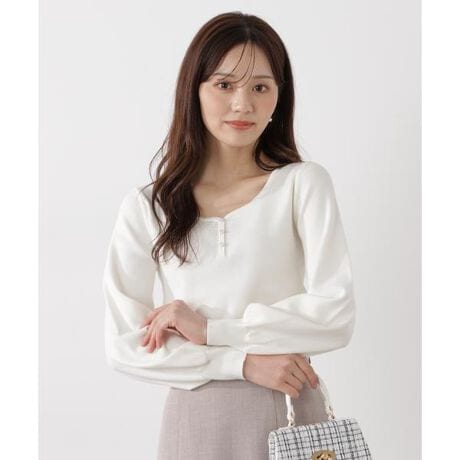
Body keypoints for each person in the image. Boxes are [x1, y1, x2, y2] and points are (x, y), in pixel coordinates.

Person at [102, 11, 356, 460]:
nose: (243, 104)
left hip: (290, 409)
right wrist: (240, 362)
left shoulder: (301, 185)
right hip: (195, 421)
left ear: (279, 96)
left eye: (260, 87)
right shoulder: (149, 206)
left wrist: (210, 330)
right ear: (194, 91)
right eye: (224, 85)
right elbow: (125, 346)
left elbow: (335, 315)